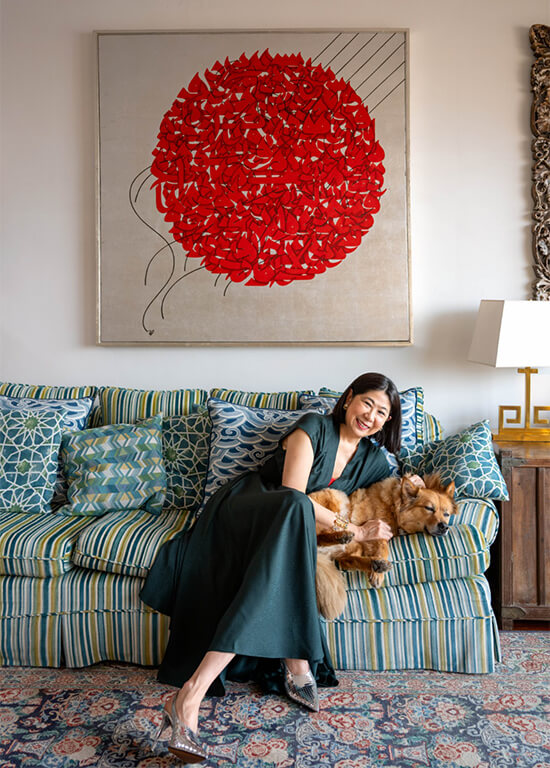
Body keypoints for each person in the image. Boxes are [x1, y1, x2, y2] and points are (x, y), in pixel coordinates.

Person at [140, 372, 402, 763]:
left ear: (387, 421)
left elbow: (401, 493)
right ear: (349, 398)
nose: (371, 416)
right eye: (367, 403)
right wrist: (356, 532)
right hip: (249, 507)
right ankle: (295, 662)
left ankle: (190, 696)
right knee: (295, 509)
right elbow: (293, 492)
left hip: (289, 530)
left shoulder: (373, 460)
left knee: (281, 554)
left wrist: (415, 492)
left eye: (382, 412)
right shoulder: (313, 427)